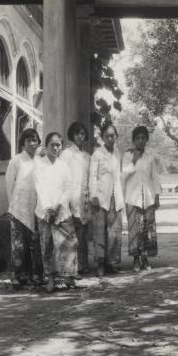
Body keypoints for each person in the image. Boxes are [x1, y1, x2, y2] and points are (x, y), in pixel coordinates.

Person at [34, 132, 79, 292]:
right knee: (48, 246)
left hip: (62, 211)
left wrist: (58, 206)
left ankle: (68, 276)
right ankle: (51, 279)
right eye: (52, 144)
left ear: (62, 147)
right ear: (46, 146)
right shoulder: (39, 165)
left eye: (58, 145)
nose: (55, 147)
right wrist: (48, 208)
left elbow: (68, 188)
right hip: (44, 211)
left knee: (68, 243)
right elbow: (39, 187)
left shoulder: (64, 166)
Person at [5, 128, 43, 286]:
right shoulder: (16, 160)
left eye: (35, 140)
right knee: (18, 245)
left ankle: (36, 275)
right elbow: (9, 184)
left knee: (35, 244)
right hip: (18, 208)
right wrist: (11, 206)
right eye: (29, 141)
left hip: (36, 207)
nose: (33, 144)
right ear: (23, 143)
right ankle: (16, 276)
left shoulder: (41, 160)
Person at [122, 126, 161, 272]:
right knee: (135, 230)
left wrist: (157, 196)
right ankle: (135, 259)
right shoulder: (127, 155)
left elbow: (155, 178)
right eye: (137, 138)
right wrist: (133, 160)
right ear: (133, 140)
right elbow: (123, 174)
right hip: (132, 198)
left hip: (148, 198)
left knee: (147, 230)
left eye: (143, 138)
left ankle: (145, 258)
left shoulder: (150, 157)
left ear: (146, 140)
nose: (140, 141)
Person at [89, 122, 124, 277]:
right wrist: (94, 195)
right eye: (107, 136)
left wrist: (121, 198)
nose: (111, 138)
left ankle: (110, 263)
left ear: (116, 136)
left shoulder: (118, 154)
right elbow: (92, 176)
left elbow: (119, 176)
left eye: (113, 135)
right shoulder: (97, 154)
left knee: (114, 232)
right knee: (100, 231)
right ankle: (100, 264)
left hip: (115, 197)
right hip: (101, 197)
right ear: (102, 137)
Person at [60, 122, 91, 275]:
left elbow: (88, 178)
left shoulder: (87, 156)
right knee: (71, 233)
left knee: (82, 233)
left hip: (83, 197)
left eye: (83, 134)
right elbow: (62, 176)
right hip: (70, 196)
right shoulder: (66, 154)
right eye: (77, 133)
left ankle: (83, 265)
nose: (80, 136)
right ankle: (71, 267)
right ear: (72, 135)